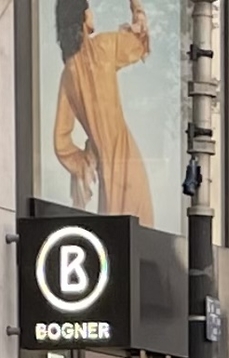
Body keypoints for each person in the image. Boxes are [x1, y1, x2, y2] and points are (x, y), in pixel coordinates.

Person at [50, 0, 155, 225]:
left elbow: (61, 140)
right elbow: (139, 41)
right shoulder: (103, 48)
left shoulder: (68, 75)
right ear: (82, 16)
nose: (92, 12)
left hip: (107, 163)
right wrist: (137, 7)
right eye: (88, 6)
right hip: (126, 154)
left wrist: (86, 159)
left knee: (115, 236)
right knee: (140, 231)